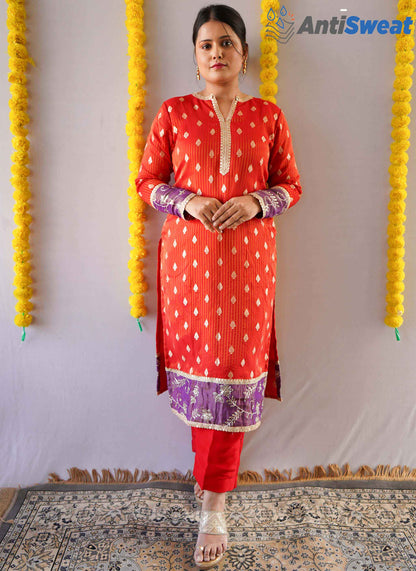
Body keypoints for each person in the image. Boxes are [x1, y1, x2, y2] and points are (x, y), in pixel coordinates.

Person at [135, 4, 303, 568]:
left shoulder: (269, 116)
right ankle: (211, 490)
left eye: (226, 43)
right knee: (202, 370)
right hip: (189, 263)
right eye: (206, 45)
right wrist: (189, 201)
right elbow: (146, 180)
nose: (216, 53)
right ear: (195, 55)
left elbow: (291, 186)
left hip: (251, 262)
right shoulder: (175, 113)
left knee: (234, 370)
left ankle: (213, 500)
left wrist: (256, 201)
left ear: (244, 54)